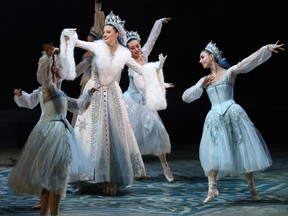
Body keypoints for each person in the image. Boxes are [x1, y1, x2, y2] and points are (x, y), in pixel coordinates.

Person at [61, 11, 167, 195]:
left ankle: (111, 178)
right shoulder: (97, 47)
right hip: (93, 94)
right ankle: (88, 176)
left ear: (116, 34)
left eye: (108, 31)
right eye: (105, 31)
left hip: (112, 95)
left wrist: (157, 67)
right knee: (92, 135)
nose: (105, 34)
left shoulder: (124, 54)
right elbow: (78, 43)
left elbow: (140, 69)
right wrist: (69, 35)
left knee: (111, 136)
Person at [182, 40, 284, 204]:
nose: (200, 61)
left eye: (202, 57)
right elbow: (186, 97)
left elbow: (246, 63)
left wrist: (265, 49)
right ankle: (212, 188)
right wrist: (200, 86)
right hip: (215, 117)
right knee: (213, 152)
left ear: (211, 56)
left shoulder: (229, 73)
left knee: (243, 150)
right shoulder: (204, 80)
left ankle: (251, 188)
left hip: (233, 114)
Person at [8, 43, 97, 215]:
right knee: (50, 177)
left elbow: (78, 106)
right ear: (52, 70)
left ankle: (50, 213)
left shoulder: (61, 94)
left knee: (56, 177)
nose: (60, 68)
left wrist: (89, 94)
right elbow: (41, 81)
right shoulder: (47, 89)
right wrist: (47, 58)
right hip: (50, 134)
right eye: (58, 66)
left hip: (62, 134)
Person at [123, 18, 175, 183]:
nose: (137, 49)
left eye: (138, 46)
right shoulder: (131, 65)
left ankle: (165, 165)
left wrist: (158, 23)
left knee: (158, 131)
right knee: (131, 137)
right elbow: (142, 86)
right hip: (133, 101)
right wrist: (162, 85)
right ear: (128, 50)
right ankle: (131, 168)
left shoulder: (143, 53)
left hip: (146, 100)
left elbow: (152, 39)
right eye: (133, 48)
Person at [71, 0, 105, 127]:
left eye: (90, 41)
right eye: (87, 41)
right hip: (88, 83)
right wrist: (96, 12)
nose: (87, 43)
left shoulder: (95, 55)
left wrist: (97, 13)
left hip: (98, 84)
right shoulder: (89, 56)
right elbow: (76, 71)